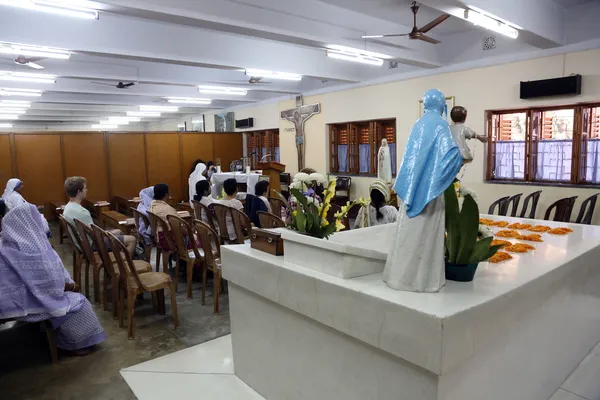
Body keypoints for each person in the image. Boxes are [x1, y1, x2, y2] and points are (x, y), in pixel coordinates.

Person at [383, 89, 462, 293]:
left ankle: (398, 277)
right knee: (427, 233)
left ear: (426, 105)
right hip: (431, 195)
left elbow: (409, 162)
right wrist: (439, 177)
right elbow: (452, 156)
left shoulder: (418, 124)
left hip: (412, 190)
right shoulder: (441, 125)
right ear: (442, 106)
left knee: (407, 233)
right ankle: (423, 281)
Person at [0, 203, 106, 355]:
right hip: (30, 301)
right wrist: (71, 287)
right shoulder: (33, 251)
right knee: (79, 303)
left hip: (11, 301)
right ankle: (75, 344)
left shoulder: (6, 245)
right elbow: (50, 286)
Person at [63, 176, 136, 257]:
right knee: (132, 240)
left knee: (119, 231)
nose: (86, 190)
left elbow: (91, 231)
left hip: (82, 244)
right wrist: (108, 233)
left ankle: (119, 260)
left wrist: (109, 232)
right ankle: (124, 266)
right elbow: (95, 235)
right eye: (85, 188)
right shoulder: (82, 212)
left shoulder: (67, 207)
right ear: (79, 192)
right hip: (92, 245)